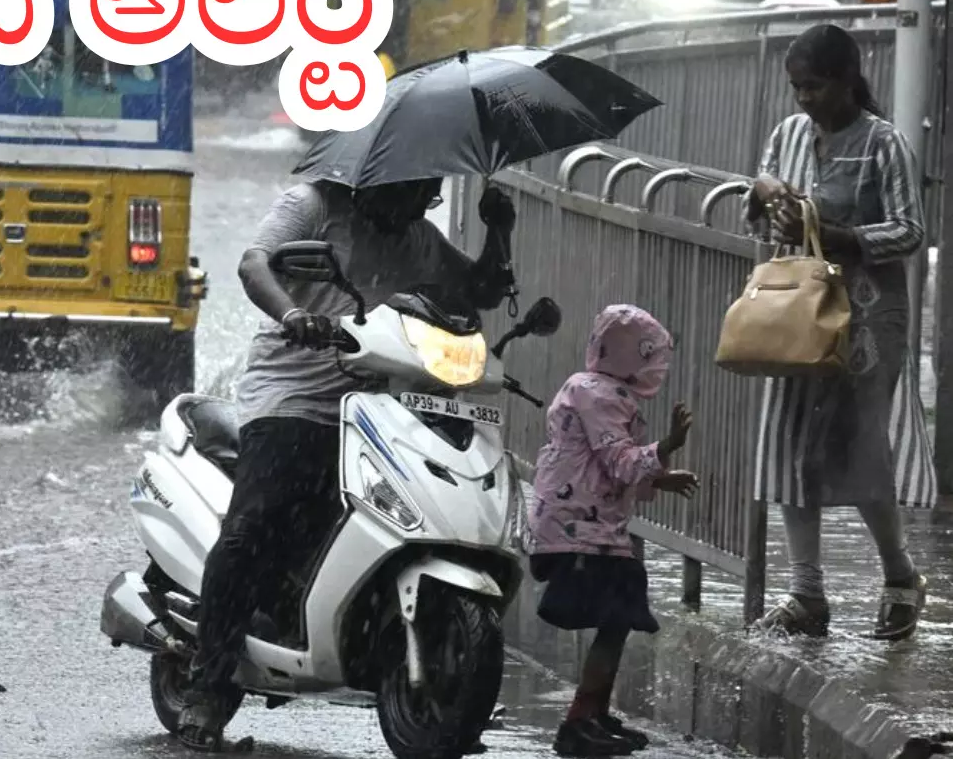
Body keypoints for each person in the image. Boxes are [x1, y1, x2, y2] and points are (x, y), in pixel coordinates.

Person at [175, 176, 517, 752]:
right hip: (294, 397)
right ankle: (207, 689)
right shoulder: (311, 206)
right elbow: (254, 265)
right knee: (253, 530)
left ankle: (423, 673)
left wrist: (499, 228)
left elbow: (480, 290)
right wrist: (290, 315)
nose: (419, 202)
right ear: (380, 174)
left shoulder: (422, 240)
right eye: (414, 187)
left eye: (429, 191)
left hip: (384, 407)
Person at [744, 23, 937, 640]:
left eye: (816, 87)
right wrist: (766, 190)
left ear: (848, 80)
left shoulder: (884, 144)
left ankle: (900, 577)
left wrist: (847, 238)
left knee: (861, 449)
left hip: (868, 317)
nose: (805, 99)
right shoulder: (789, 135)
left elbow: (910, 230)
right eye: (797, 87)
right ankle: (806, 595)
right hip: (800, 311)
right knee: (795, 443)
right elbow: (765, 201)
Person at [527, 304, 697, 757]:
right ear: (632, 354)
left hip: (589, 525)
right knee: (616, 614)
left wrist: (660, 476)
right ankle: (579, 721)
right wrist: (667, 447)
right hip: (577, 527)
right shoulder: (598, 395)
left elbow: (606, 464)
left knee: (619, 615)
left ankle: (593, 713)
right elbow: (620, 463)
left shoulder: (601, 391)